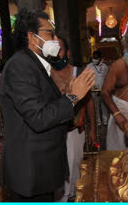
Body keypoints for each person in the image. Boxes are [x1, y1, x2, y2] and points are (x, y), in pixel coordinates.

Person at [0, 8, 95, 202]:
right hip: (30, 172)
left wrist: (67, 94)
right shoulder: (20, 65)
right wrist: (73, 97)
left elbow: (44, 106)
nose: (55, 38)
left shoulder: (35, 64)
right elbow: (39, 118)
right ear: (32, 37)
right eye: (50, 33)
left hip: (41, 169)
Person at [50, 37, 97, 202]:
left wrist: (93, 130)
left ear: (67, 52)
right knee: (58, 169)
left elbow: (89, 102)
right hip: (54, 132)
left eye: (60, 49)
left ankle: (75, 198)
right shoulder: (45, 73)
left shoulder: (79, 73)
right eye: (54, 49)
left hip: (75, 130)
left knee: (76, 167)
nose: (57, 53)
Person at [101, 31, 128, 150]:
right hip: (120, 112)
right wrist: (117, 114)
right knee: (119, 155)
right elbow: (104, 92)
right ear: (124, 46)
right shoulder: (117, 66)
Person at [87, 50, 109, 150]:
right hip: (93, 90)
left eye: (96, 57)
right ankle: (98, 122)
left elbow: (107, 77)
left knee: (104, 106)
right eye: (93, 57)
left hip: (103, 90)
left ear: (100, 58)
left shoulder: (104, 67)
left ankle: (105, 121)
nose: (95, 59)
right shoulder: (89, 66)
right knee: (95, 106)